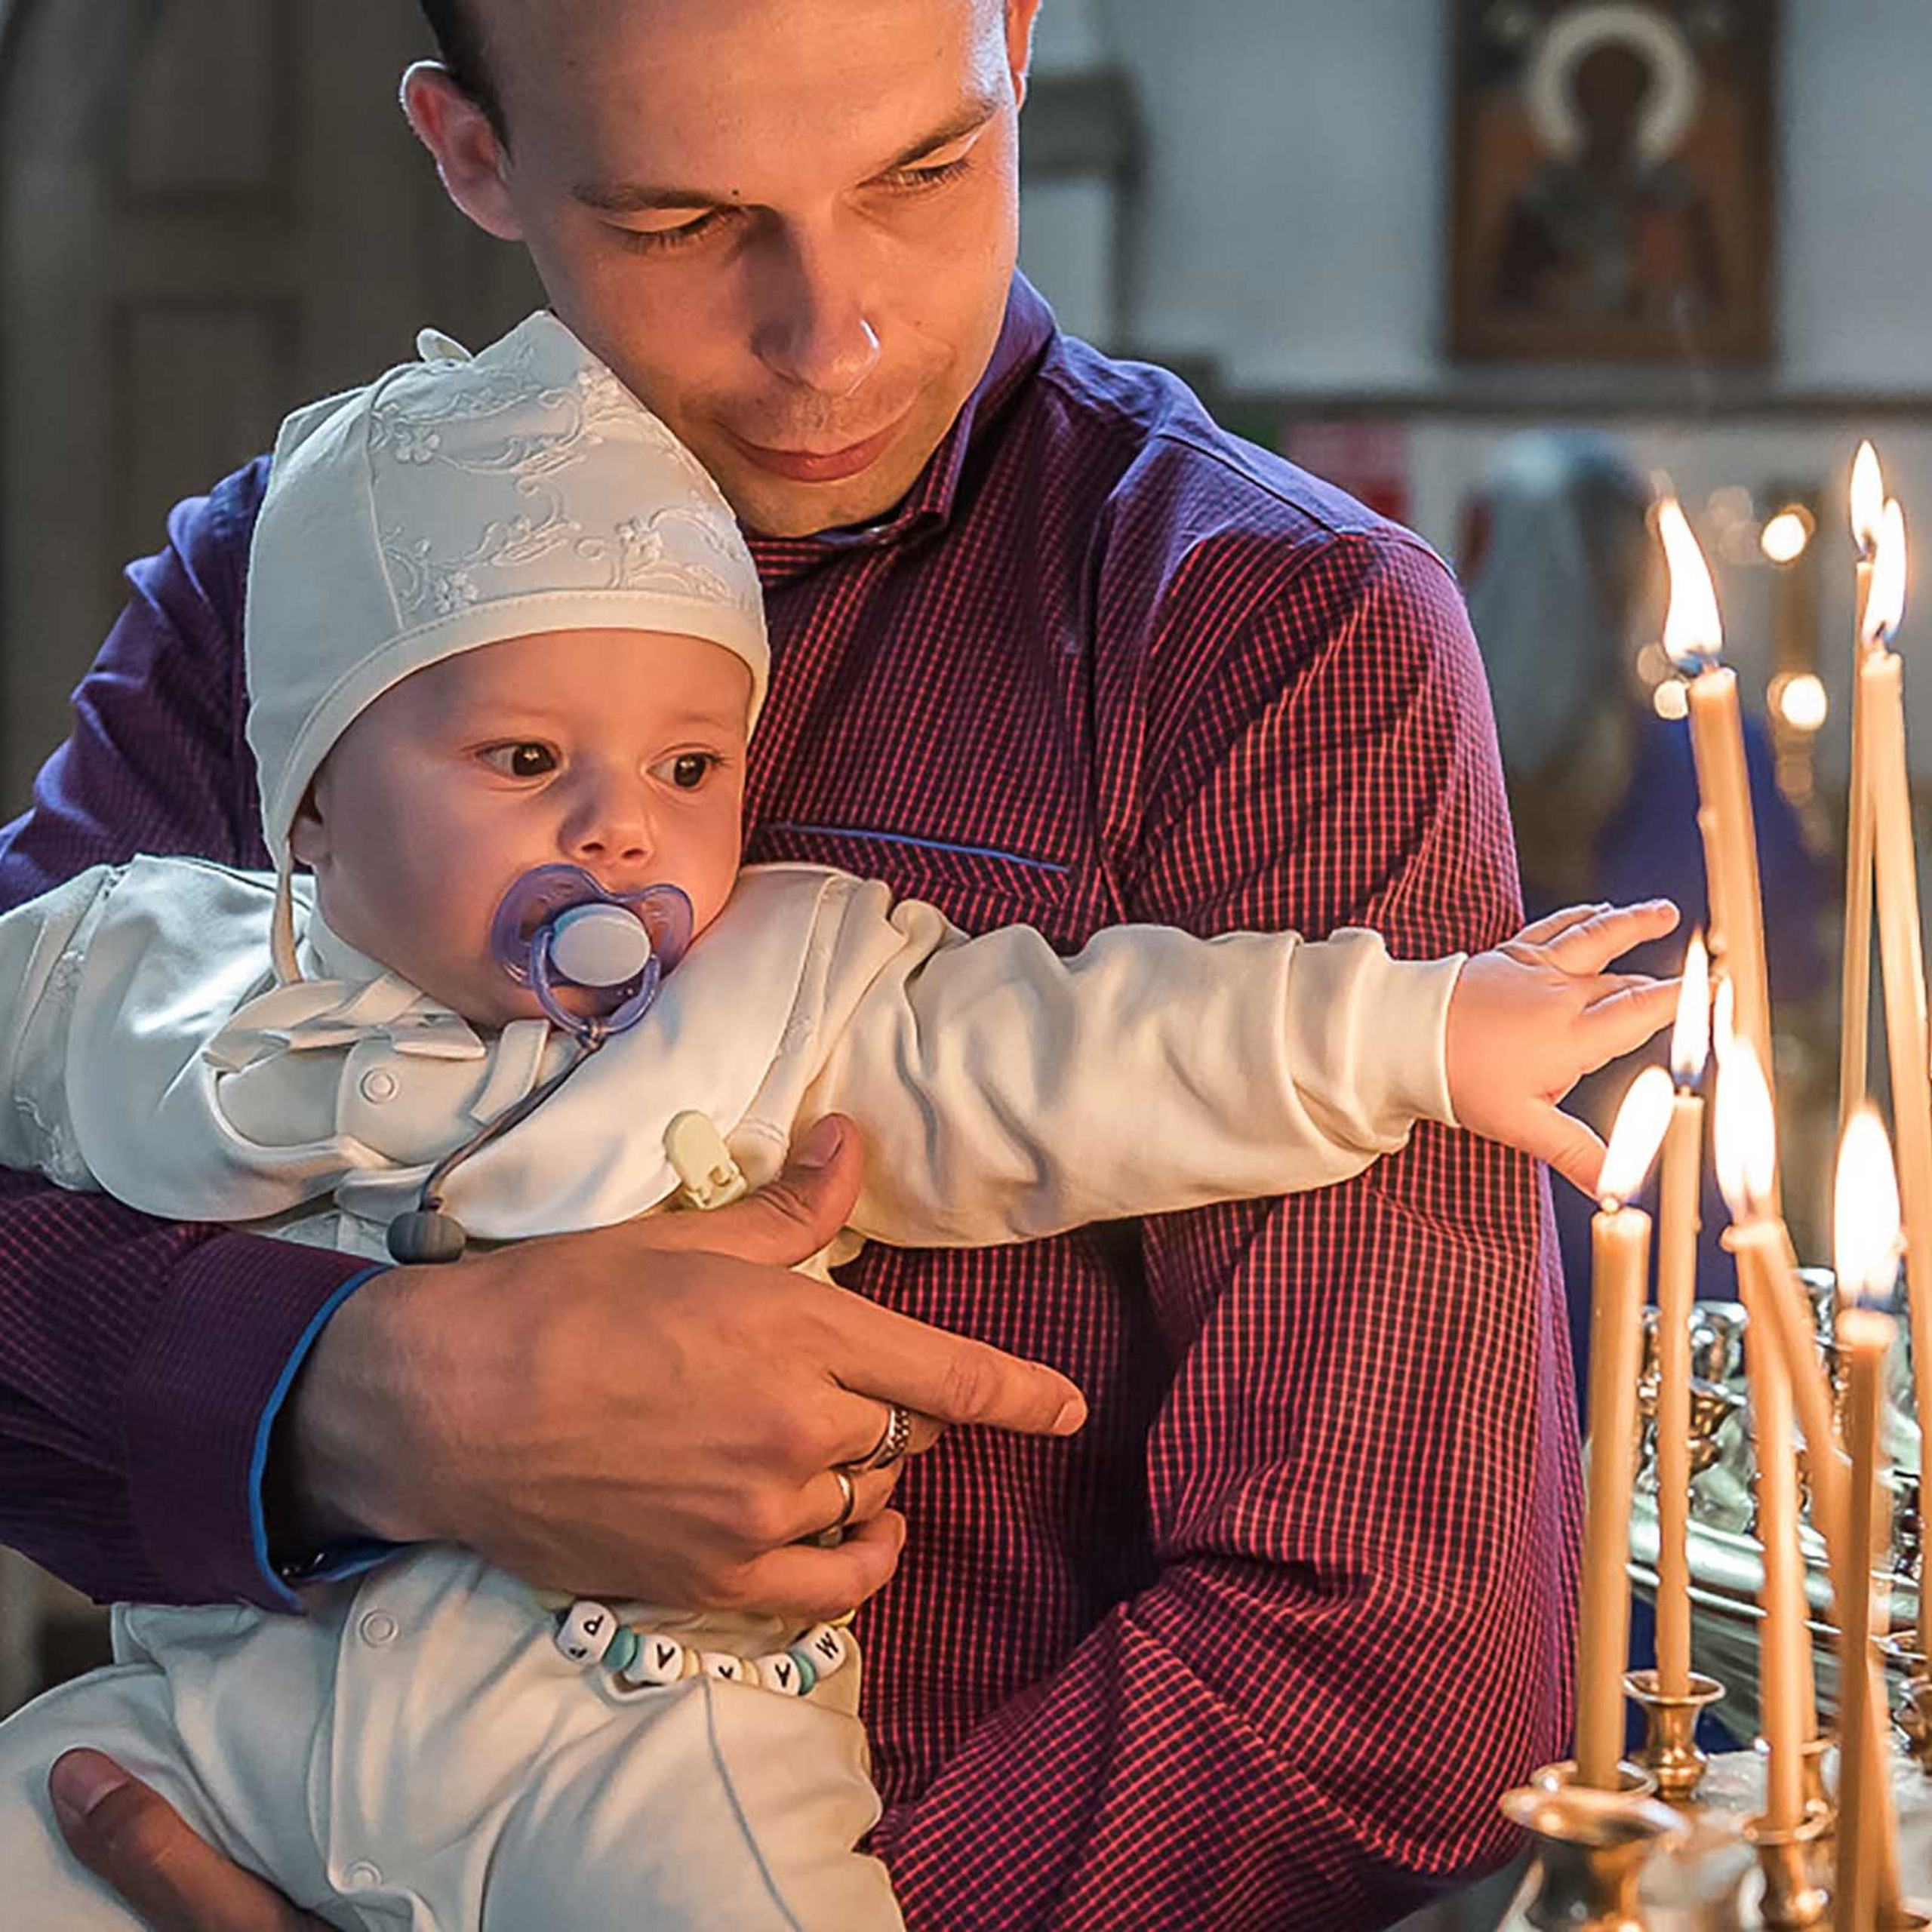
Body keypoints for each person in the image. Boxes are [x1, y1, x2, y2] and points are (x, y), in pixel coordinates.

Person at [3, 2, 1585, 1922]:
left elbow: (1384, 1654)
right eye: (679, 219)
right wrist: (383, 1398)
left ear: (1010, 35)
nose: (830, 335)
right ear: (473, 151)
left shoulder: (1269, 634)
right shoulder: (293, 590)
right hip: (234, 1799)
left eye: (924, 171)